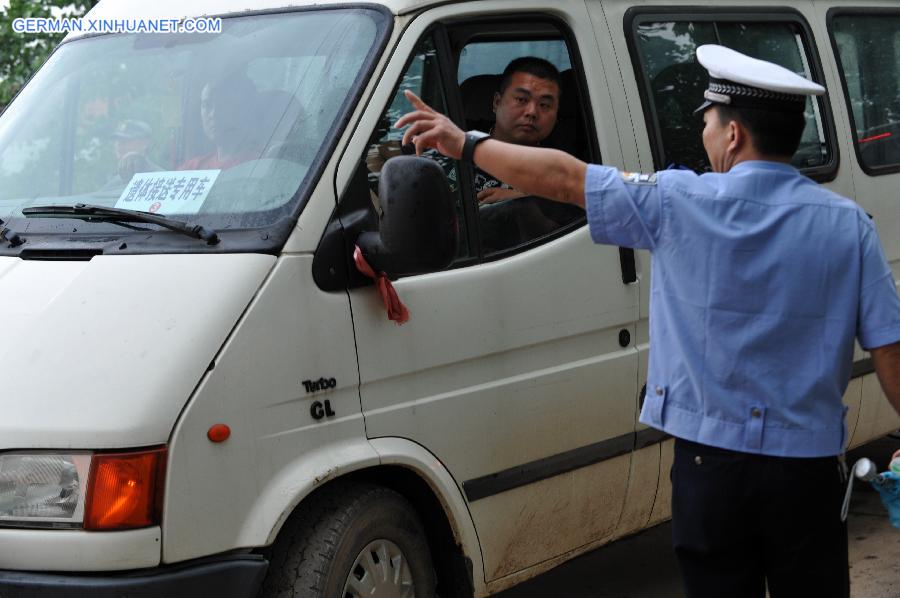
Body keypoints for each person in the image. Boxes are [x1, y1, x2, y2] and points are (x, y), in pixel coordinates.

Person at [396, 44, 900, 598]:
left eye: (708, 122)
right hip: (806, 469)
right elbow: (890, 347)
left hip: (711, 471)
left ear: (732, 135)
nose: (705, 135)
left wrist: (465, 143)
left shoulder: (678, 202)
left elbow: (567, 179)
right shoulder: (848, 225)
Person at [475, 57, 562, 204]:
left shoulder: (562, 172)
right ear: (497, 102)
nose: (532, 112)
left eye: (544, 104)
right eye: (522, 100)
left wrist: (523, 202)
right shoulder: (460, 146)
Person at [179, 73, 260, 171]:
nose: (214, 114)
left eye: (224, 105)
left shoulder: (263, 163)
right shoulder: (193, 168)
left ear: (244, 109)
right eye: (206, 105)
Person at [106, 119, 162, 187]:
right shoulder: (112, 180)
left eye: (125, 140)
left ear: (145, 143)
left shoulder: (160, 179)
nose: (119, 145)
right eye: (117, 141)